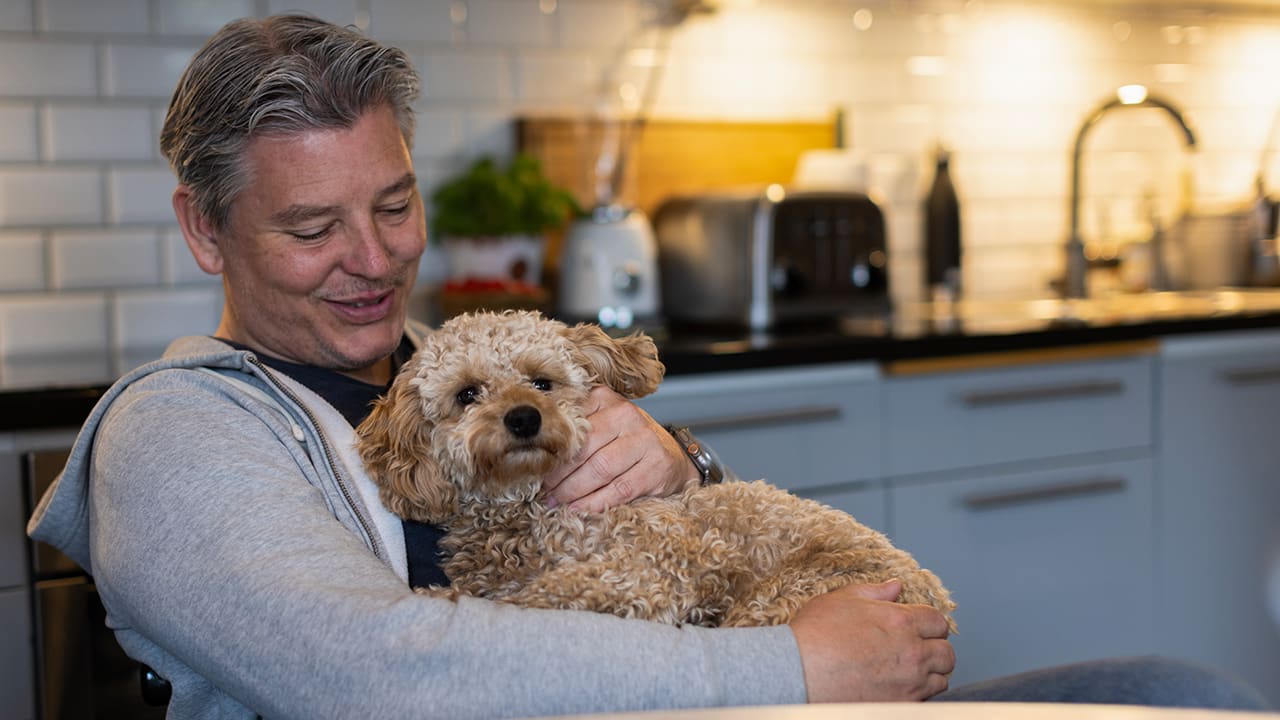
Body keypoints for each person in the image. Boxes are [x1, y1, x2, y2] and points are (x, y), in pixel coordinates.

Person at [27, 14, 1268, 720]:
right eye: (311, 229)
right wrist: (797, 665)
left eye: (395, 207)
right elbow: (367, 671)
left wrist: (677, 468)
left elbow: (721, 552)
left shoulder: (461, 370)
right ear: (205, 231)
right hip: (759, 695)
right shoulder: (181, 433)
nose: (371, 260)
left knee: (1173, 686)